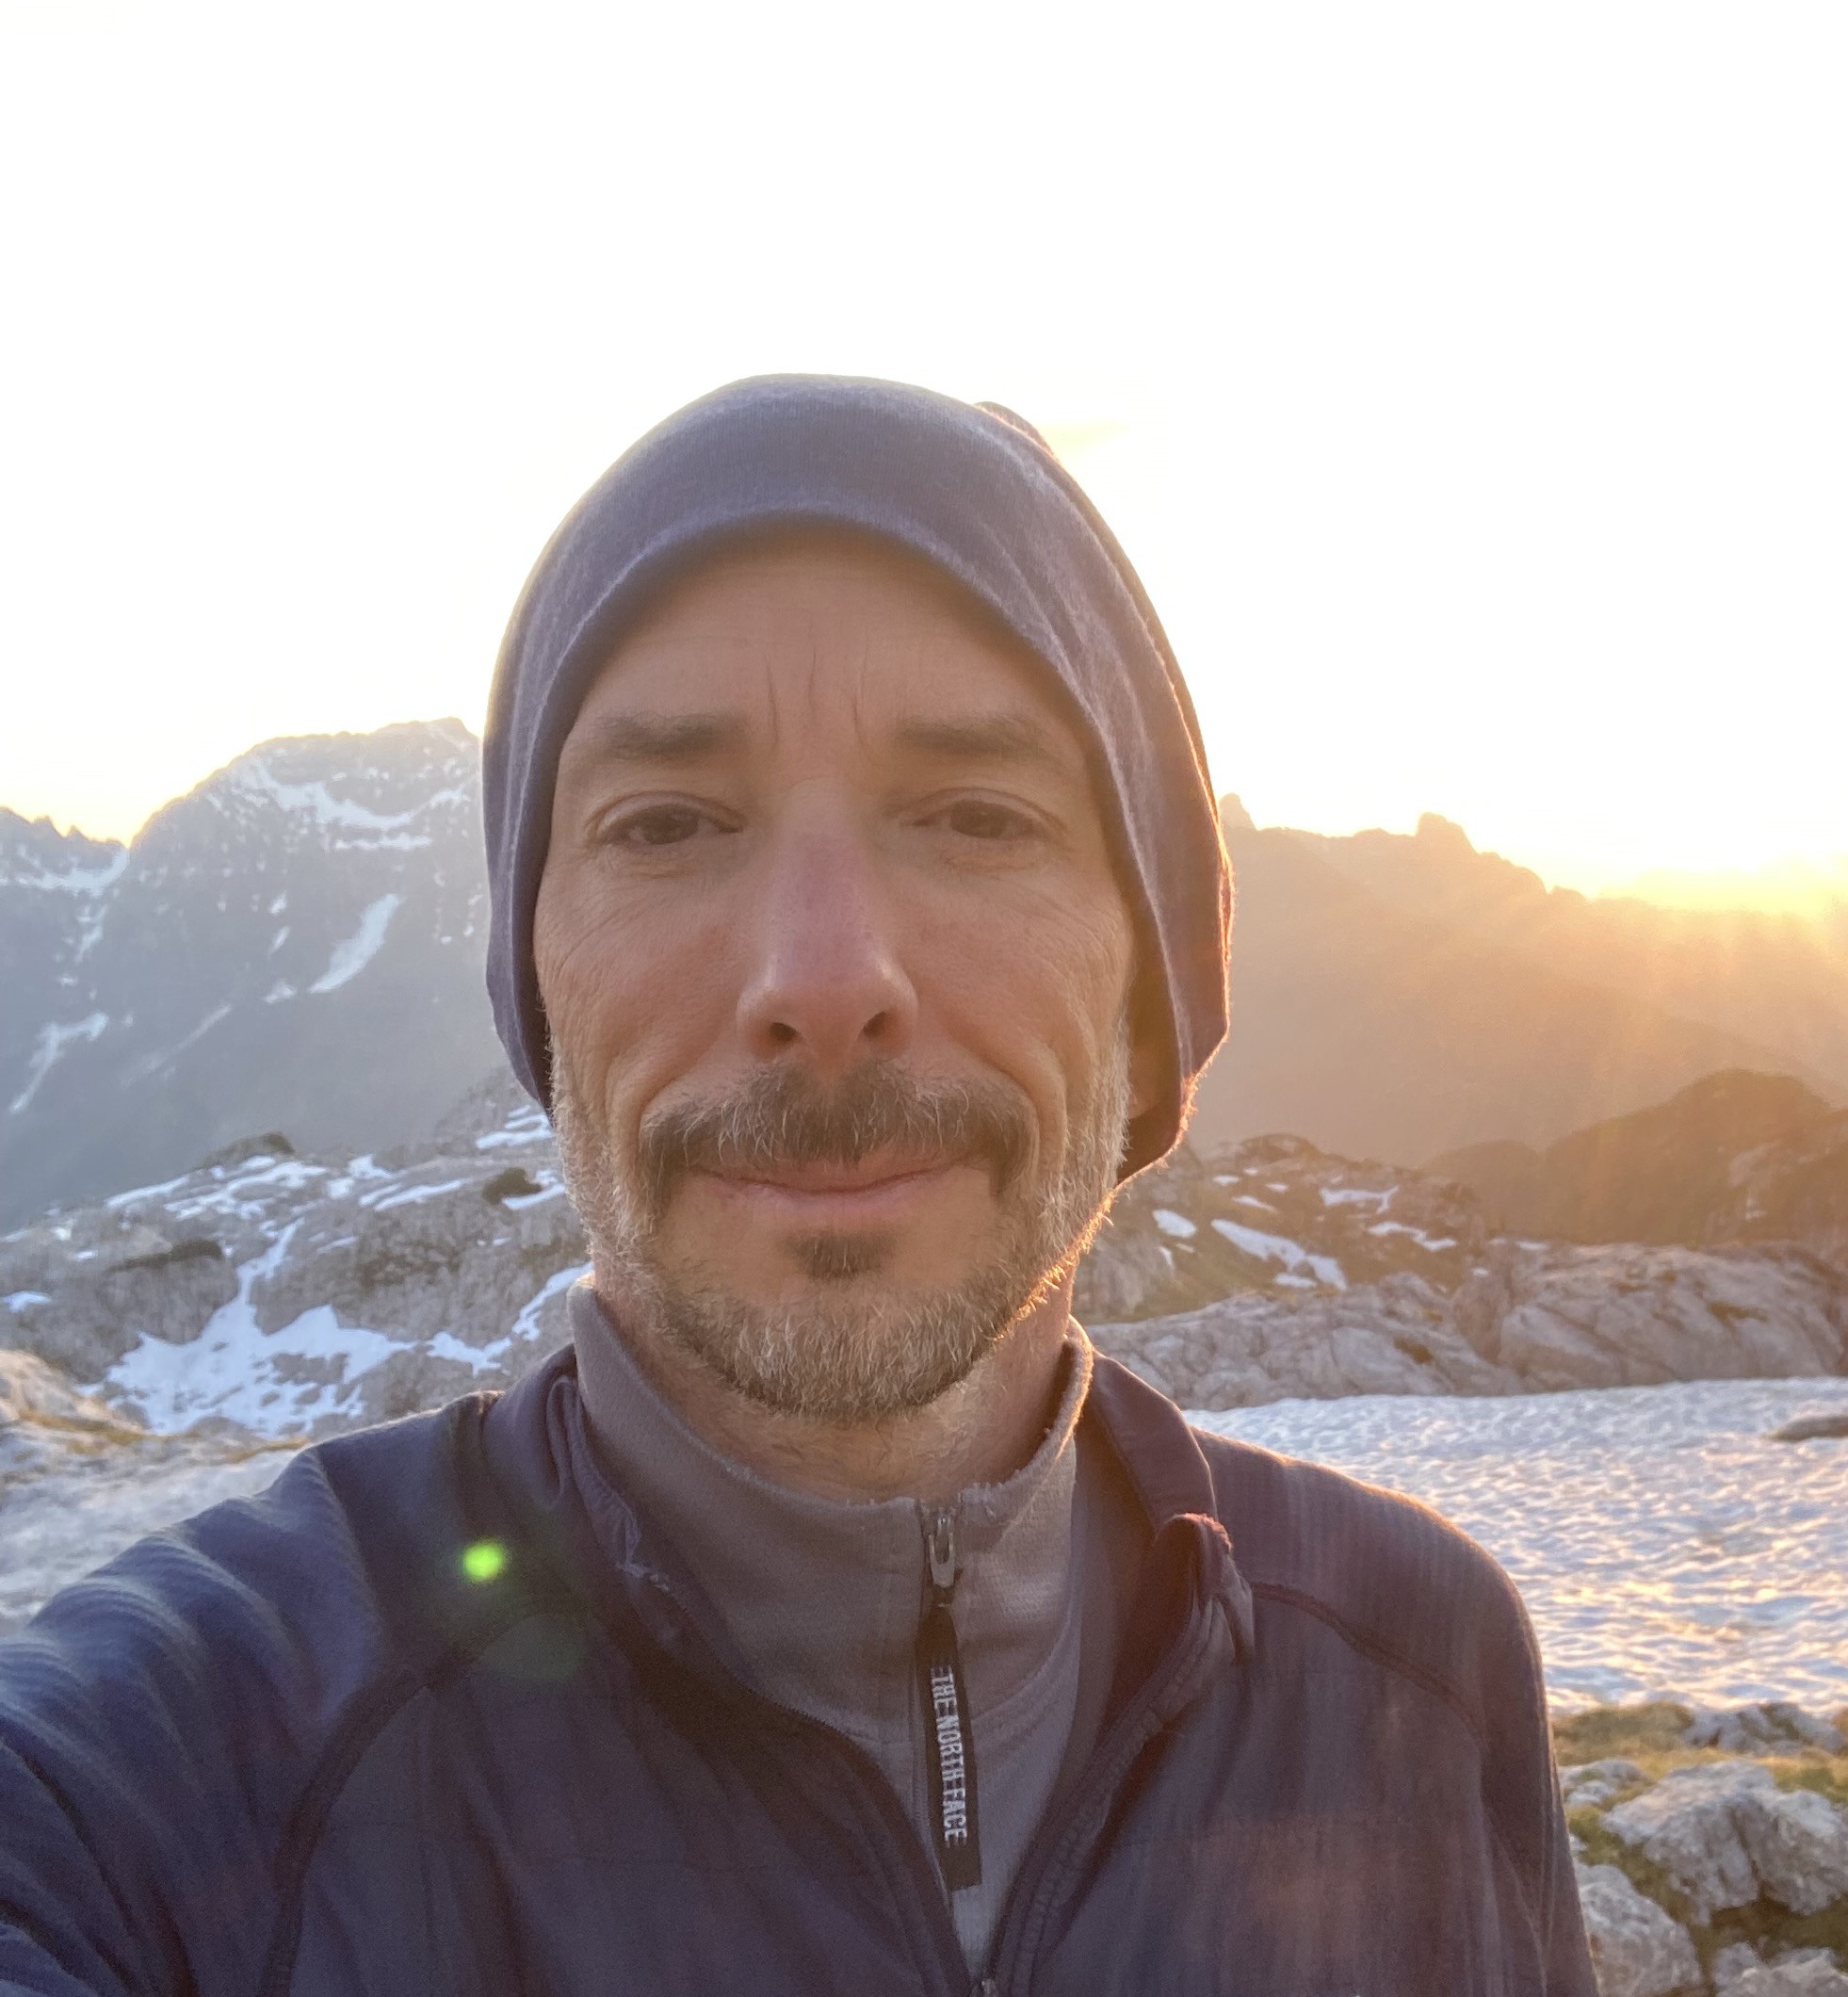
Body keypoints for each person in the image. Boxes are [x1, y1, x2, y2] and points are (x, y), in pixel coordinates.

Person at [0, 377, 1595, 1996]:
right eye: (665, 826)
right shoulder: (140, 1789)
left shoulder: (1419, 1672)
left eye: (976, 817)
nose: (822, 980)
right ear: (537, 985)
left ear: (1150, 986)